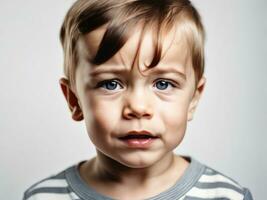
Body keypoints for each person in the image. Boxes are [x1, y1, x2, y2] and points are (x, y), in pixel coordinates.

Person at [23, 0, 253, 199]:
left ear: (193, 98)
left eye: (163, 83)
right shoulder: (42, 197)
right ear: (74, 100)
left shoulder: (227, 196)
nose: (138, 108)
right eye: (110, 84)